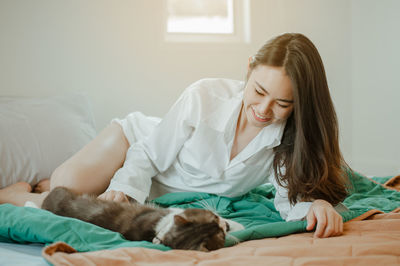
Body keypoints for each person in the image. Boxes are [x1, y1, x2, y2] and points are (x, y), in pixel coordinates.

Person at [0, 33, 349, 238]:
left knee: (80, 198)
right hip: (136, 145)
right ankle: (20, 192)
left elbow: (289, 200)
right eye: (258, 91)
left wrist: (315, 204)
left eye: (282, 103)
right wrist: (123, 189)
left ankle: (46, 186)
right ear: (248, 69)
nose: (263, 109)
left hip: (169, 186)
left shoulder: (288, 140)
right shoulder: (204, 96)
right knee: (69, 190)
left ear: (298, 103)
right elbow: (148, 155)